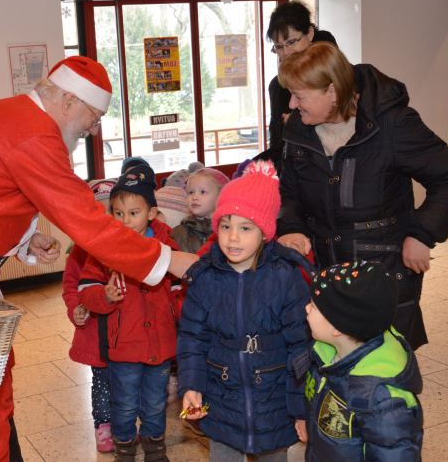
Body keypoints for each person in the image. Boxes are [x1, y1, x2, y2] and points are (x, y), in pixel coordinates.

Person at [0, 55, 198, 462]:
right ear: (68, 102)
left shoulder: (15, 116)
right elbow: (87, 221)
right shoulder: (34, 133)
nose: (93, 128)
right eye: (94, 116)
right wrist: (167, 260)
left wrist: (24, 241)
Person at [276, 42, 448, 351]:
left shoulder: (391, 123)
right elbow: (289, 191)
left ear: (333, 91)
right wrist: (292, 227)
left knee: (384, 366)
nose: (292, 103)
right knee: (336, 365)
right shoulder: (300, 128)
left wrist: (422, 234)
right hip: (325, 270)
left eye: (299, 95)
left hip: (381, 270)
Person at [177, 160, 313, 462]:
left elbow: (302, 348)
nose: (233, 237)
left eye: (245, 227)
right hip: (222, 396)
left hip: (274, 401)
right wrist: (191, 385)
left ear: (265, 232)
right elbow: (191, 340)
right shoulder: (205, 277)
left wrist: (302, 409)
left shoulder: (285, 277)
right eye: (226, 226)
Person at [77, 165, 182, 462]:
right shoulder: (104, 250)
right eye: (118, 213)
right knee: (122, 403)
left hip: (160, 345)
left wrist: (183, 323)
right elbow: (85, 290)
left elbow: (179, 292)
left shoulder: (166, 247)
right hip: (122, 346)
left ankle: (155, 448)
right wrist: (104, 296)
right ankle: (124, 447)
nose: (124, 221)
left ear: (151, 213)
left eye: (133, 213)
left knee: (155, 401)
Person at [298, 262, 423, 461]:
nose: (306, 308)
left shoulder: (380, 398)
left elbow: (394, 454)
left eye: (313, 306)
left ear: (337, 327)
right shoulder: (324, 354)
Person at [62, 178, 116, 453]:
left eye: (112, 210)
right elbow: (71, 287)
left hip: (125, 332)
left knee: (127, 380)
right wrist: (76, 308)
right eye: (99, 211)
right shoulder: (81, 249)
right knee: (102, 382)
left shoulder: (127, 243)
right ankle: (103, 426)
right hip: (96, 332)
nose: (106, 217)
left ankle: (125, 424)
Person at [253, 0, 337, 175]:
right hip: (294, 176)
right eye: (278, 46)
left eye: (291, 42)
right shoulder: (277, 85)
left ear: (310, 33)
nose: (285, 52)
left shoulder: (334, 73)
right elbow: (277, 143)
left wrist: (298, 120)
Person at [172, 168, 229, 254]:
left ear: (220, 197)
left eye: (203, 192)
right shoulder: (179, 232)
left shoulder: (226, 231)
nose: (194, 197)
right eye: (191, 192)